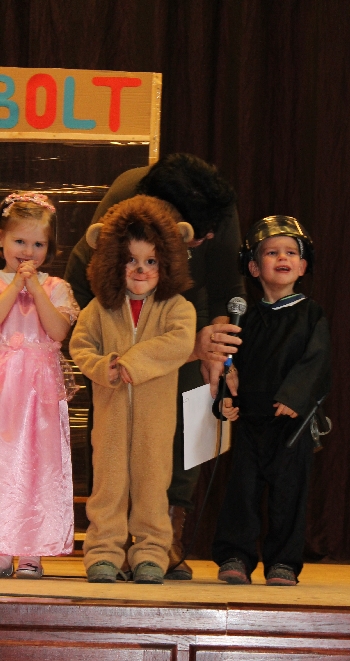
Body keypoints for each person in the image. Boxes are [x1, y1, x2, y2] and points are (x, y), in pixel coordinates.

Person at [65, 153, 245, 579]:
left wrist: (218, 355)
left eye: (206, 237)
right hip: (116, 315)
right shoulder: (123, 204)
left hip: (185, 308)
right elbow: (79, 295)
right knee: (112, 447)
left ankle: (167, 529)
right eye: (197, 238)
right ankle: (108, 542)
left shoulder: (217, 210)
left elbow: (227, 287)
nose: (205, 241)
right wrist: (104, 359)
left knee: (197, 404)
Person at [69, 195, 196, 584]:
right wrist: (104, 367)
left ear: (168, 262)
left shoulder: (176, 307)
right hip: (110, 417)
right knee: (107, 486)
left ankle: (151, 553)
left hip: (156, 420)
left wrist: (132, 363)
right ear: (111, 261)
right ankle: (103, 552)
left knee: (153, 485)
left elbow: (179, 343)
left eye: (151, 261)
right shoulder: (99, 309)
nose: (141, 270)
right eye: (131, 260)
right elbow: (80, 346)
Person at [212, 216, 331, 586]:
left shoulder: (311, 314)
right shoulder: (244, 316)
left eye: (291, 253)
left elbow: (317, 361)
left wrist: (295, 396)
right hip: (250, 419)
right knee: (242, 490)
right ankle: (236, 555)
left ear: (303, 266)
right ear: (253, 267)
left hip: (291, 422)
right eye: (272, 252)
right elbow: (230, 364)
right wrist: (225, 396)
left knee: (288, 493)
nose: (283, 258)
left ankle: (283, 561)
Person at [0, 192, 80, 579]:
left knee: (38, 464)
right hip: (3, 387)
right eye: (19, 241)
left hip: (39, 393)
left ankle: (32, 550)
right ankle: (2, 546)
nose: (28, 252)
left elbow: (58, 331)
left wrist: (35, 289)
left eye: (38, 244)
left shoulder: (56, 286)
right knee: (3, 464)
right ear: (1, 239)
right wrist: (16, 285)